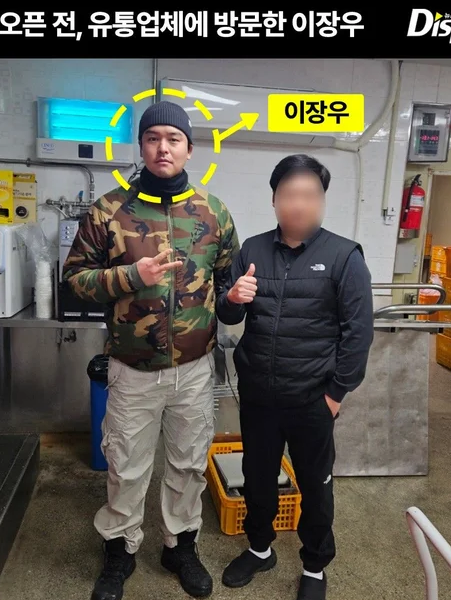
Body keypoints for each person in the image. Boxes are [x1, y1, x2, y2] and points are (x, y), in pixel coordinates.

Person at [63, 100, 240, 600]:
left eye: (174, 138)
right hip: (133, 369)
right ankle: (119, 551)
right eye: (153, 137)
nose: (164, 147)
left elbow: (227, 280)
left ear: (189, 148)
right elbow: (74, 281)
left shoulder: (213, 211)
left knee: (188, 463)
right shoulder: (109, 210)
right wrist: (129, 276)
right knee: (126, 464)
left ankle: (179, 547)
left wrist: (237, 300)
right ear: (140, 146)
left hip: (195, 369)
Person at [216, 154, 374, 600]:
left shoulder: (344, 256)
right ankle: (260, 548)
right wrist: (232, 297)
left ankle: (315, 566)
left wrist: (335, 394)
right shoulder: (252, 250)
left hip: (312, 400)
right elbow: (228, 314)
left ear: (321, 201)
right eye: (289, 194)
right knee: (257, 477)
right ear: (274, 200)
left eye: (309, 195)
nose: (299, 204)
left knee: (315, 487)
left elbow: (358, 333)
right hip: (259, 396)